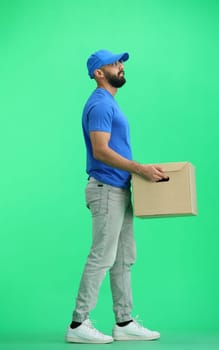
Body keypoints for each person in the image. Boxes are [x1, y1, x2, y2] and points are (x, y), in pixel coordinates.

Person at [66, 49, 167, 344]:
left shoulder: (109, 103)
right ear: (99, 73)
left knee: (124, 258)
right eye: (113, 63)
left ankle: (124, 321)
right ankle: (77, 323)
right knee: (103, 257)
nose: (120, 66)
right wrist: (140, 169)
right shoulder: (99, 104)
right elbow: (100, 150)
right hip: (106, 190)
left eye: (120, 62)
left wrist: (137, 174)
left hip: (119, 189)